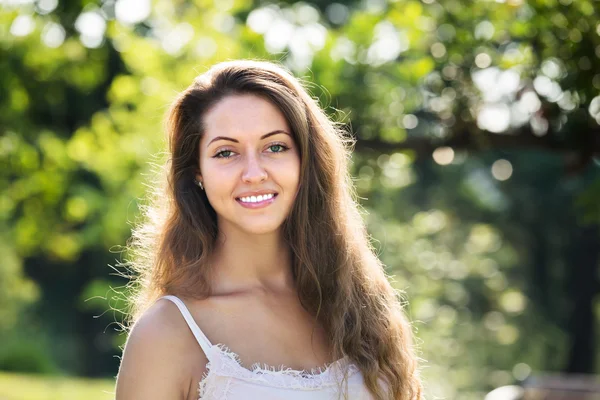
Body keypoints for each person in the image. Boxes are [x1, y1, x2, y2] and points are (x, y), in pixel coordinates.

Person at [114, 60, 423, 400]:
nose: (254, 173)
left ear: (306, 160)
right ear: (197, 172)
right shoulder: (167, 333)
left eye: (275, 147)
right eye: (226, 152)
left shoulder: (359, 306)